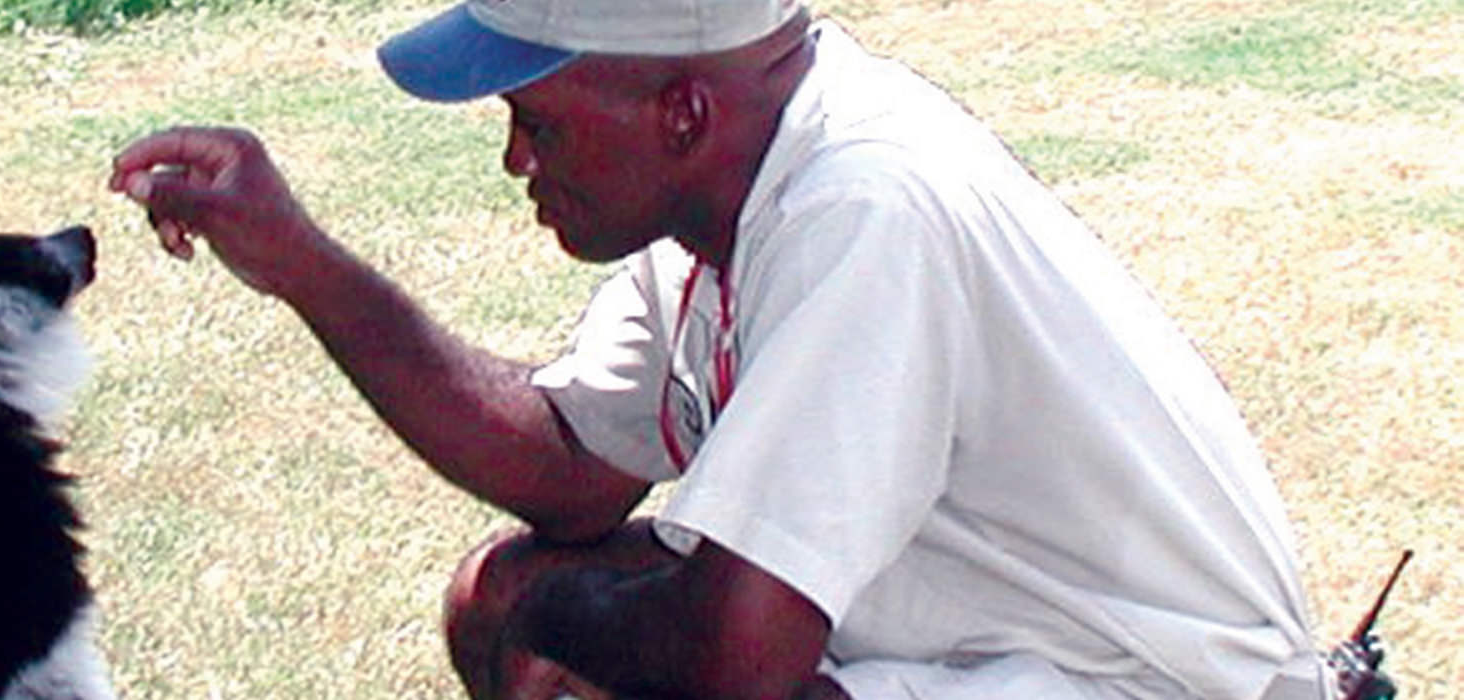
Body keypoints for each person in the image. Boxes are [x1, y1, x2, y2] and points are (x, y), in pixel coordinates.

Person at [107, 0, 1328, 697]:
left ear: (682, 114)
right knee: (510, 595)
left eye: (533, 123)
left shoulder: (864, 205)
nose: (516, 163)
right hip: (987, 651)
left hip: (1141, 682)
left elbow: (738, 662)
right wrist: (300, 262)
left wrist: (559, 625)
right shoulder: (730, 184)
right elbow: (570, 469)